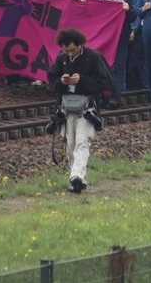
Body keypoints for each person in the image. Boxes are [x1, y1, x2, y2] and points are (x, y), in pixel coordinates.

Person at [46, 28, 112, 194]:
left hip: (87, 107)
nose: (69, 53)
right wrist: (61, 81)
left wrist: (81, 80)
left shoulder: (93, 57)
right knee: (71, 146)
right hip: (67, 108)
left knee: (82, 142)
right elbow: (51, 82)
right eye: (66, 51)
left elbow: (103, 82)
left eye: (72, 50)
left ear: (79, 45)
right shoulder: (62, 59)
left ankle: (75, 176)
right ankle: (80, 181)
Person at [98, 0, 138, 109]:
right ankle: (102, 95)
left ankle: (115, 96)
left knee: (118, 67)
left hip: (120, 39)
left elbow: (133, 17)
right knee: (102, 66)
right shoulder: (99, 0)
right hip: (104, 40)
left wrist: (127, 9)